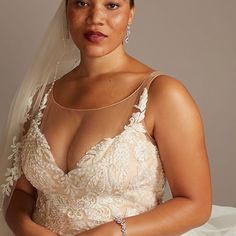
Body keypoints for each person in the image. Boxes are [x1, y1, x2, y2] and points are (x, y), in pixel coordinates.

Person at [0, 0, 236, 235]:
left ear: (131, 13)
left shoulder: (162, 94)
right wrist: (26, 228)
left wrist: (114, 232)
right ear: (66, 10)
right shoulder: (41, 97)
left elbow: (196, 205)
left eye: (111, 5)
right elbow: (21, 192)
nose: (95, 18)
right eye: (82, 3)